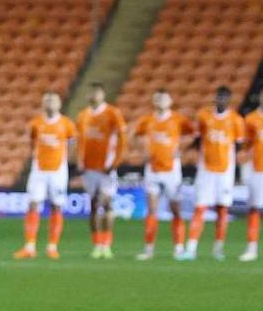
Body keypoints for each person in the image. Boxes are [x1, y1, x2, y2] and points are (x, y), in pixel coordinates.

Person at [182, 86, 247, 261]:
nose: (221, 100)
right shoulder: (204, 116)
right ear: (215, 98)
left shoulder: (236, 120)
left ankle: (218, 248)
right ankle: (191, 248)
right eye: (219, 97)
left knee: (222, 210)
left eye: (225, 98)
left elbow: (238, 145)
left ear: (229, 100)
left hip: (225, 171)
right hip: (206, 171)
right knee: (200, 208)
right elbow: (198, 139)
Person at [130, 89, 196, 260]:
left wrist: (181, 149)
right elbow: (134, 137)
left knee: (176, 210)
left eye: (163, 98)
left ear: (170, 101)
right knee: (152, 209)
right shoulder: (147, 120)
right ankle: (149, 249)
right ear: (153, 101)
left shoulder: (178, 119)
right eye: (157, 98)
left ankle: (179, 247)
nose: (160, 101)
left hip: (172, 170)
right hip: (152, 169)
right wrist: (141, 150)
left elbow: (194, 134)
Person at [15, 91, 76, 261]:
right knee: (33, 204)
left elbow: (72, 142)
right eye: (47, 100)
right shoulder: (36, 123)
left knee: (56, 206)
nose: (50, 103)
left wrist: (66, 161)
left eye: (53, 100)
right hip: (39, 170)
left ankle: (52, 246)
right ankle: (29, 246)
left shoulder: (66, 124)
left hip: (58, 171)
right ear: (42, 103)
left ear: (59, 103)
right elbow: (32, 141)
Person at [75, 83, 128, 259]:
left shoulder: (113, 113)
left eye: (97, 92)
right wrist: (79, 161)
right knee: (93, 206)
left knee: (106, 203)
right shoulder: (83, 115)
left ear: (103, 94)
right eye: (91, 92)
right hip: (89, 168)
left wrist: (115, 162)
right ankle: (97, 244)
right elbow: (80, 141)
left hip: (106, 168)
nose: (93, 95)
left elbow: (122, 138)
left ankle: (107, 244)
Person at [243, 103, 263, 263]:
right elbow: (246, 146)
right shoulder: (251, 119)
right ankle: (251, 248)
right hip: (258, 170)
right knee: (255, 209)